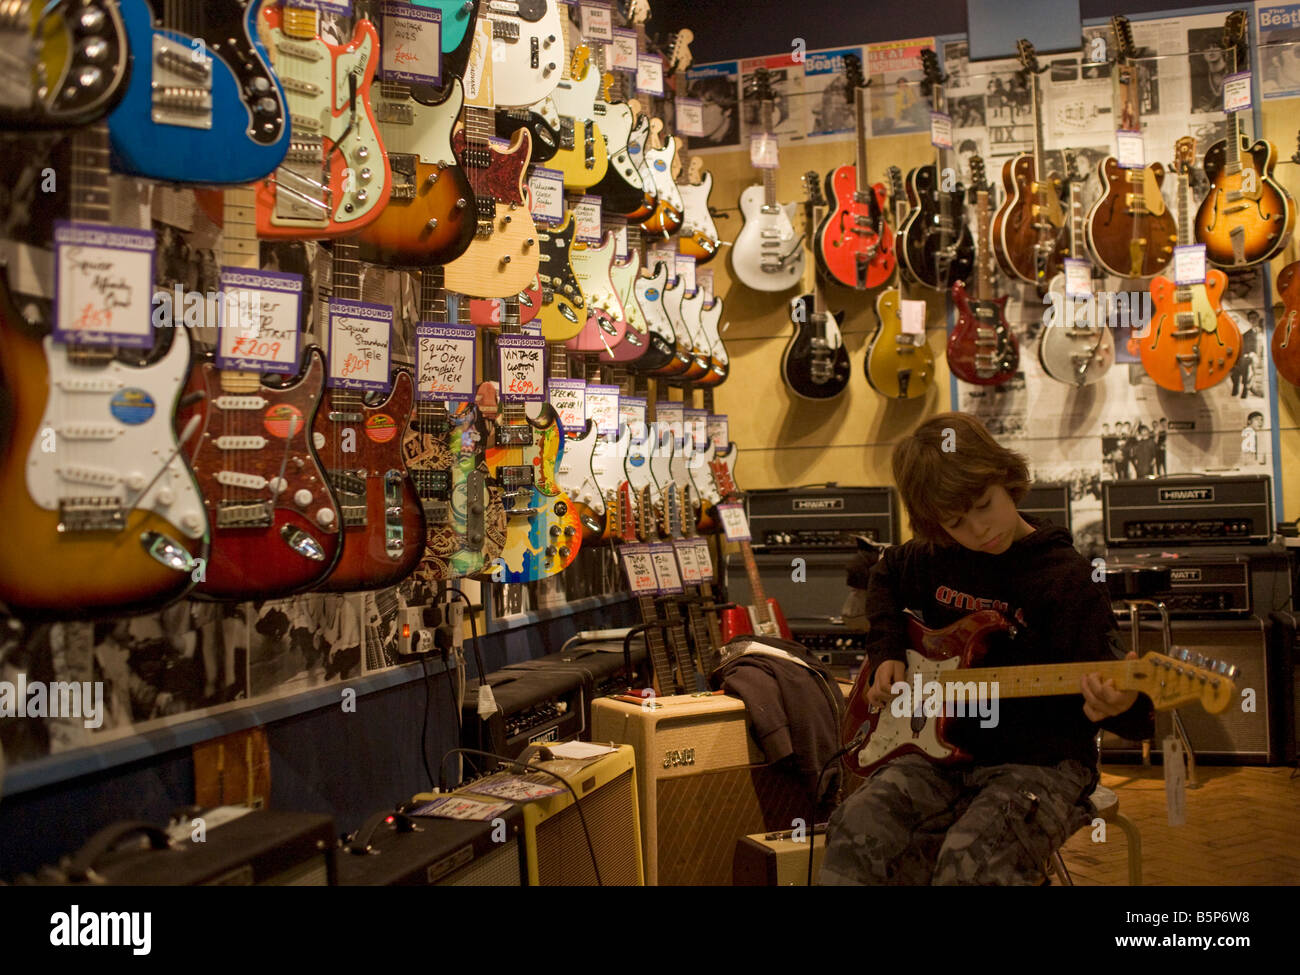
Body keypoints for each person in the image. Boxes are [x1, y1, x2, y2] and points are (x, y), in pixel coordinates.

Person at [820, 413, 1154, 885]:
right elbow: (885, 573)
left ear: (1005, 479)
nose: (978, 529)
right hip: (939, 753)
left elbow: (1127, 708)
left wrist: (1123, 703)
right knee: (855, 827)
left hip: (1042, 762)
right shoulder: (937, 556)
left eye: (984, 504)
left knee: (972, 861)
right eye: (956, 522)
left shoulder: (1067, 580)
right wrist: (887, 650)